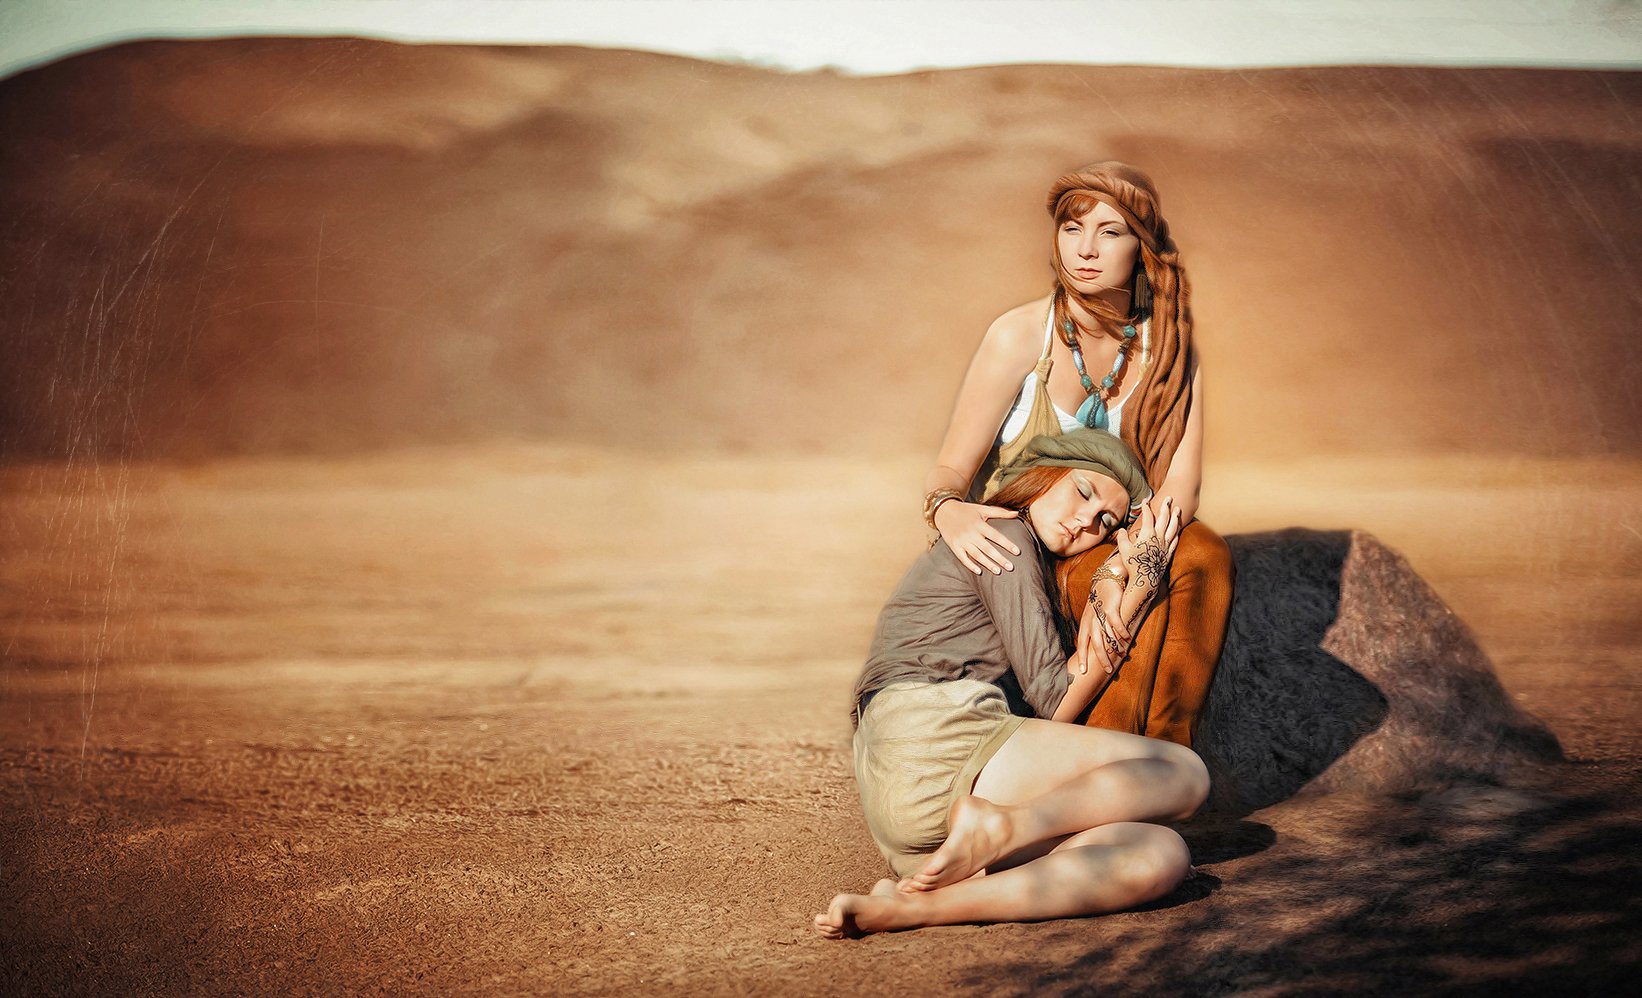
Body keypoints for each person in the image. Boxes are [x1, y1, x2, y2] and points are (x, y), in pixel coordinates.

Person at [814, 430, 1210, 938]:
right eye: (1083, 492)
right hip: (938, 736)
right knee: (1182, 772)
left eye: (1106, 522)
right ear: (1041, 476)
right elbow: (1056, 701)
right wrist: (1141, 584)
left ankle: (911, 908)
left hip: (914, 811)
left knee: (1157, 854)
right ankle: (1004, 826)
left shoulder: (1012, 547)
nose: (1085, 522)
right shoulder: (1004, 536)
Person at [920, 161, 1233, 748]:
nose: (1086, 249)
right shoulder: (1019, 335)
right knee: (1126, 601)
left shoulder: (1169, 349)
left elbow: (1179, 491)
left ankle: (1168, 753)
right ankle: (1104, 760)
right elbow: (951, 469)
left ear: (1142, 247)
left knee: (1202, 553)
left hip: (1116, 530)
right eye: (1072, 228)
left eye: (1110, 232)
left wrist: (1128, 565)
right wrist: (947, 509)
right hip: (1031, 543)